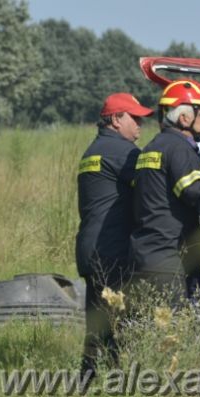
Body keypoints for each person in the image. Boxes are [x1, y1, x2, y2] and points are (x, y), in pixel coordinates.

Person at [75, 92, 154, 375]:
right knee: (122, 326)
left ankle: (87, 385)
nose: (140, 126)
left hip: (91, 247)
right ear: (117, 119)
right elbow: (154, 183)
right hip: (112, 249)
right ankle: (119, 383)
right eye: (135, 118)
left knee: (98, 326)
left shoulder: (93, 151)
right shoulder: (122, 152)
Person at [129, 79, 200, 305]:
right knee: (173, 333)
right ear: (185, 118)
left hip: (143, 256)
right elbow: (195, 194)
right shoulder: (179, 149)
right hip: (169, 260)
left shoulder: (151, 148)